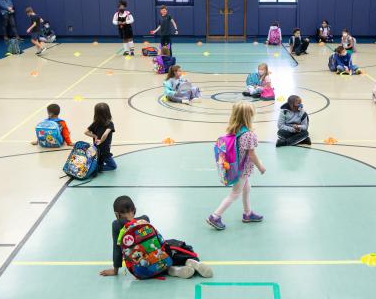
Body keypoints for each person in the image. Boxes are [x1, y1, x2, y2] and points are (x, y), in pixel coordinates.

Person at [99, 195, 213, 279]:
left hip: (141, 270)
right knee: (170, 246)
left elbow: (117, 249)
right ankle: (186, 261)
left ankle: (173, 270)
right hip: (160, 258)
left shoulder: (116, 225)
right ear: (134, 210)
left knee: (147, 261)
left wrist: (115, 270)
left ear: (117, 214)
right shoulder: (144, 219)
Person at [207, 102, 266, 230]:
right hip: (242, 170)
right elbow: (251, 155)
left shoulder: (234, 130)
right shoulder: (249, 135)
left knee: (247, 188)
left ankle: (248, 213)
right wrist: (261, 167)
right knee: (234, 194)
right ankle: (215, 216)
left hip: (237, 167)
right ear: (248, 116)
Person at [84, 103, 117, 172]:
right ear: (108, 113)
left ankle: (96, 165)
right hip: (105, 151)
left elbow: (86, 132)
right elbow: (105, 134)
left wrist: (95, 136)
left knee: (99, 160)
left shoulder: (95, 123)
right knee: (113, 166)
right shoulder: (109, 123)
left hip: (96, 150)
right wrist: (101, 141)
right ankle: (97, 169)